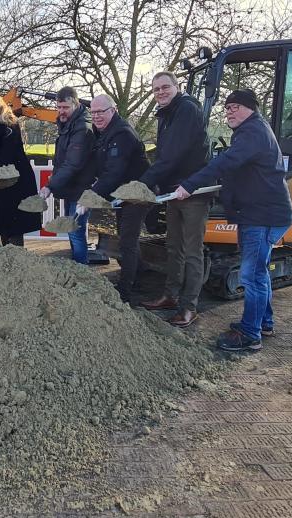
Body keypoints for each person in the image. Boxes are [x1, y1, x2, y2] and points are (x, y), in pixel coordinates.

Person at [174, 89, 291, 352]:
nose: (229, 111)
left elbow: (226, 162)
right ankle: (264, 323)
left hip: (263, 217)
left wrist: (190, 185)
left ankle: (251, 335)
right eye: (226, 108)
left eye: (235, 106)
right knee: (259, 273)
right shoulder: (251, 132)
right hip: (259, 214)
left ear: (251, 108)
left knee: (252, 276)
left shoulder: (253, 132)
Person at [137, 71, 211, 328]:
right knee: (173, 247)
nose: (160, 92)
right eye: (156, 89)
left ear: (177, 87)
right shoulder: (165, 115)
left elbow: (174, 155)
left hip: (193, 193)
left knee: (192, 251)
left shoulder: (187, 110)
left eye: (165, 87)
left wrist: (141, 184)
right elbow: (163, 155)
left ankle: (189, 306)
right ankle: (170, 296)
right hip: (173, 192)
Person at [87, 95, 149, 303]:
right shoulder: (102, 133)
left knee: (127, 241)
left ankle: (124, 292)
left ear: (112, 110)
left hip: (138, 192)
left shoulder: (122, 134)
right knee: (124, 236)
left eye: (100, 112)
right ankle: (139, 275)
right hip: (124, 192)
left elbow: (113, 172)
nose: (96, 116)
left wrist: (91, 196)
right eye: (93, 112)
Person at [0, 90, 41, 246]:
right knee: (4, 222)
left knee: (15, 224)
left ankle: (16, 261)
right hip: (2, 181)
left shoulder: (9, 123)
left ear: (0, 103)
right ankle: (8, 257)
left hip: (17, 179)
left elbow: (8, 154)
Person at [40, 87, 95, 264]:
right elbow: (62, 159)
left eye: (65, 107)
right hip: (71, 187)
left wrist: (50, 185)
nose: (61, 111)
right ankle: (76, 266)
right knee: (72, 230)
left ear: (76, 104)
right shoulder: (68, 123)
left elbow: (72, 163)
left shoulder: (82, 128)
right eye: (59, 107)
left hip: (81, 188)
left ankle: (82, 273)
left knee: (76, 232)